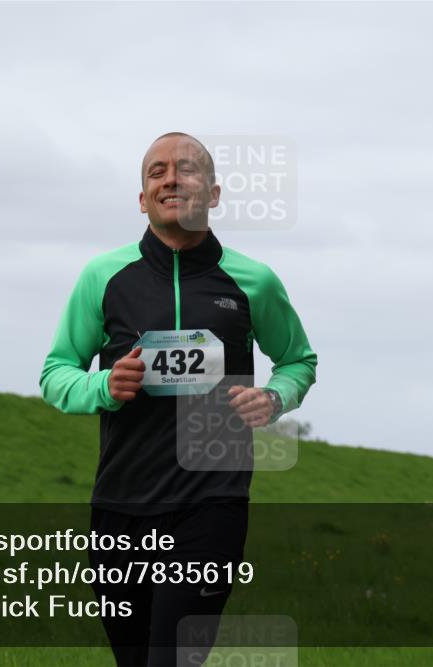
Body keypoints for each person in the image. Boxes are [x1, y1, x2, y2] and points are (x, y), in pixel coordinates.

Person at [39, 132, 318, 666]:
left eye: (187, 169)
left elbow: (298, 361)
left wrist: (275, 399)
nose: (171, 178)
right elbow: (57, 373)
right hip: (120, 505)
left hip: (210, 506)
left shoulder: (253, 281)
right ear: (143, 199)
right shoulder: (103, 276)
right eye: (156, 172)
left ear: (213, 193)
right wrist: (103, 386)